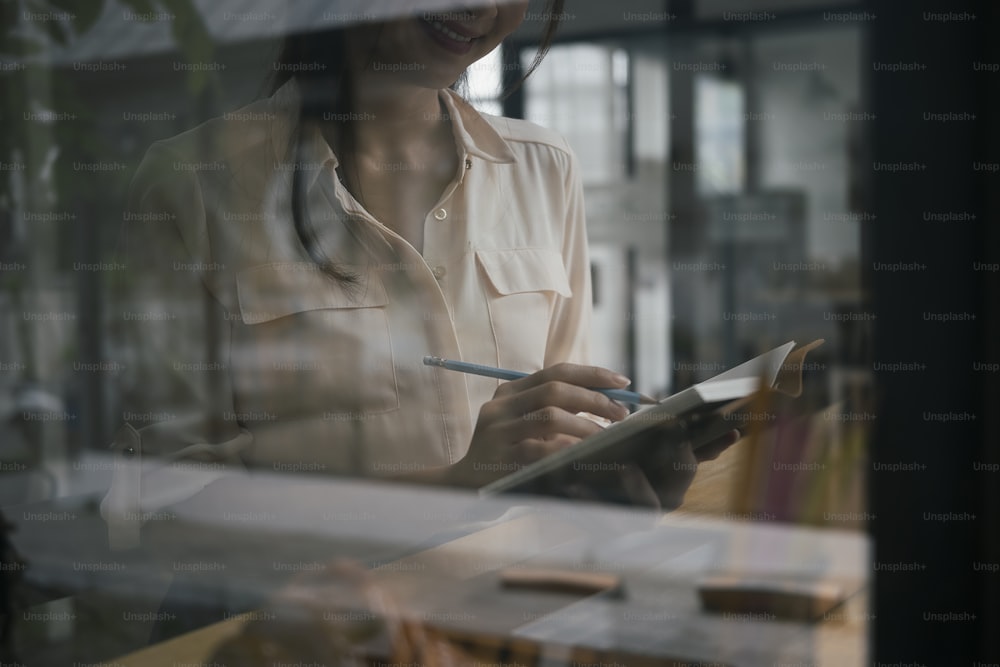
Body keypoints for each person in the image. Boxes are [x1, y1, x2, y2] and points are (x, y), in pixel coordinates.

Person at [102, 0, 735, 550]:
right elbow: (174, 506)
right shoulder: (192, 184)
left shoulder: (544, 168)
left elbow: (564, 440)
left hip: (500, 608)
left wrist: (623, 476)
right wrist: (456, 487)